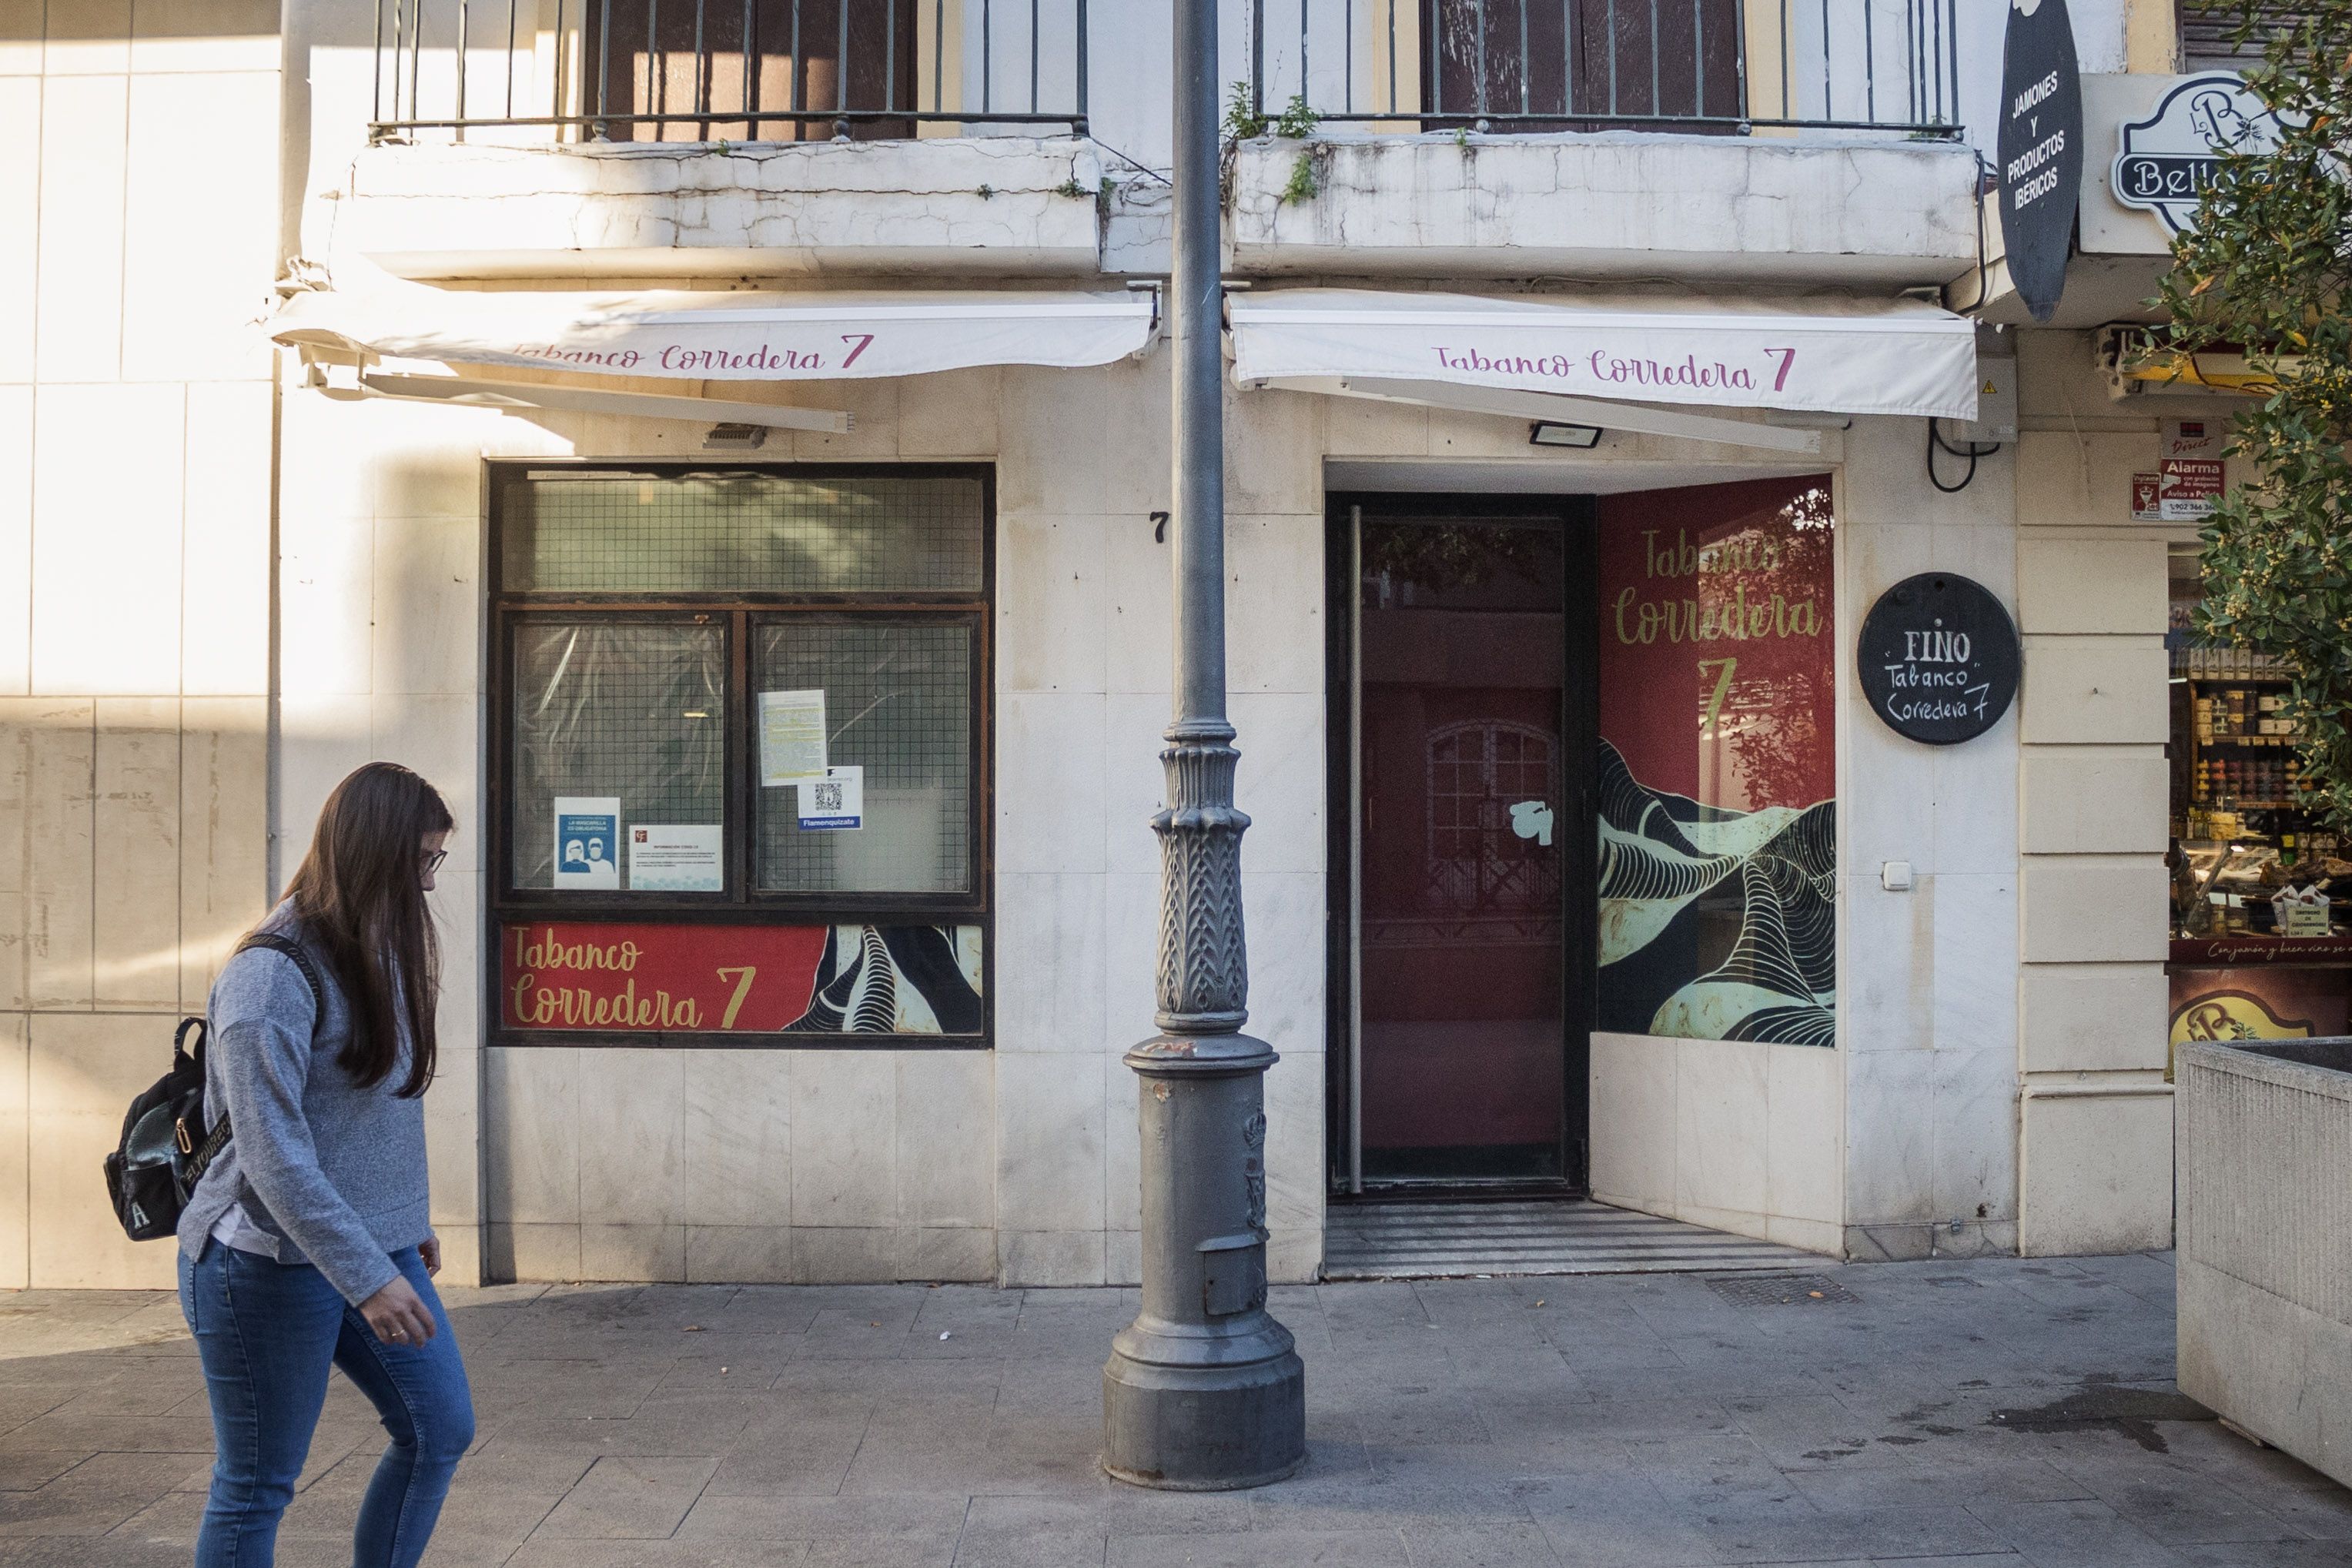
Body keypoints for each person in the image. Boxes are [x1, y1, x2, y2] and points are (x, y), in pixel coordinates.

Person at [178, 761, 472, 1568]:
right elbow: (273, 1156)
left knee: (440, 1428)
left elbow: (380, 1109)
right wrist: (369, 1272)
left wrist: (402, 1227)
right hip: (262, 1262)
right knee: (259, 1483)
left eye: (434, 861)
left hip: (362, 1245)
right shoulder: (270, 976)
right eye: (421, 861)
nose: (429, 883)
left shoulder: (379, 947)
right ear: (373, 855)